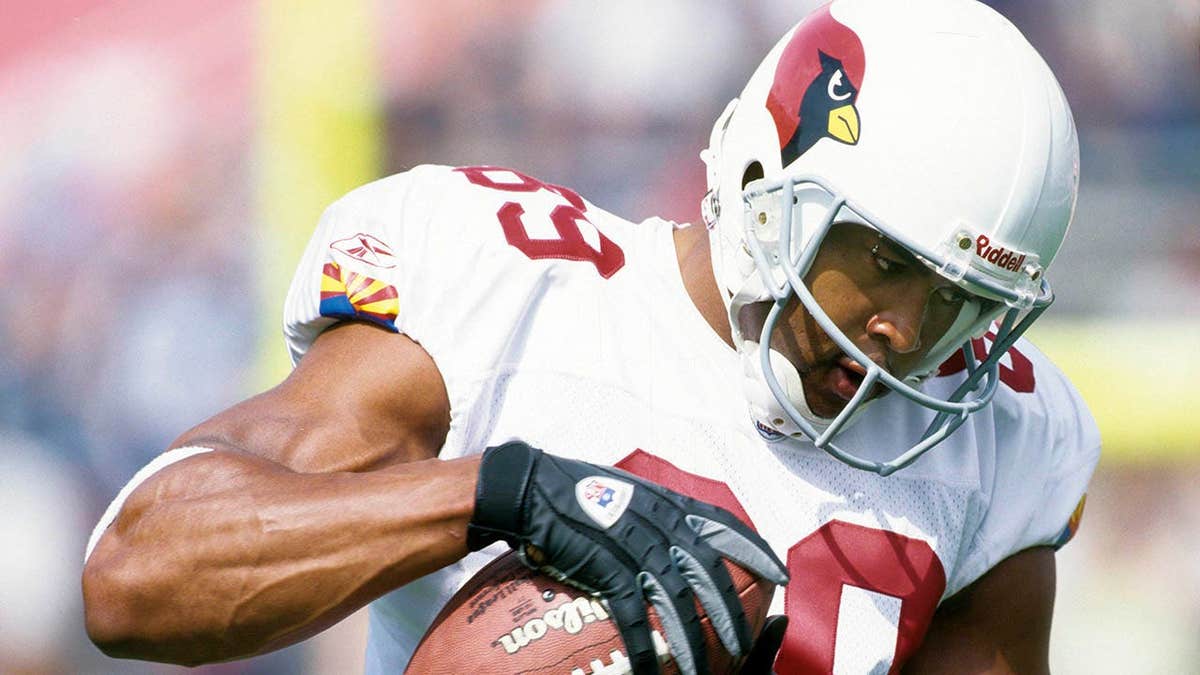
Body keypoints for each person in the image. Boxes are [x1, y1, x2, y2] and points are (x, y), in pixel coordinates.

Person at [81, 1, 1100, 673]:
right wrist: (502, 493)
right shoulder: (516, 283)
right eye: (885, 262)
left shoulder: (1005, 441)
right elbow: (138, 578)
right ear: (765, 178)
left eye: (961, 301)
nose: (907, 331)